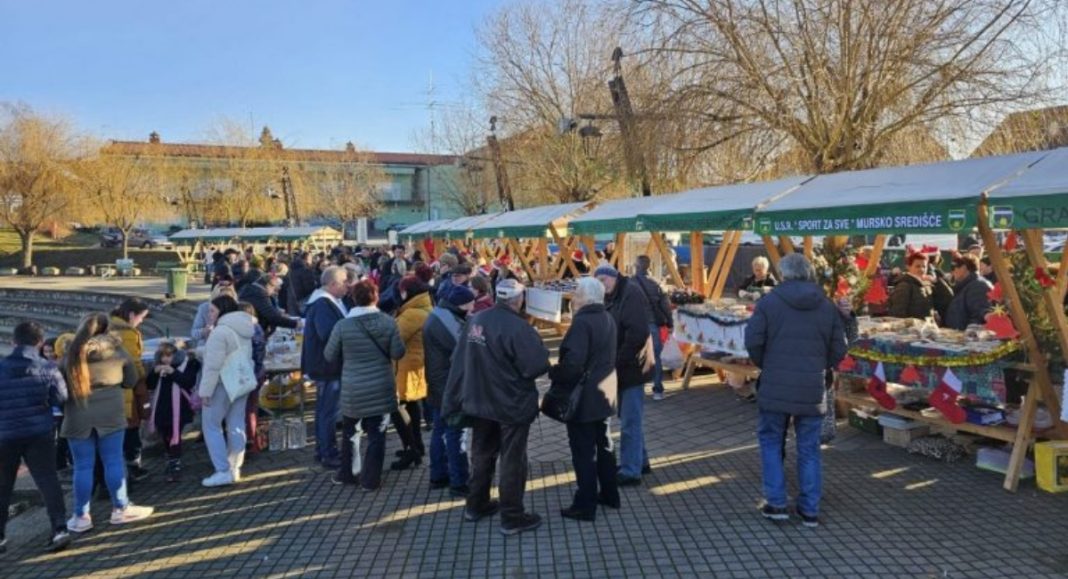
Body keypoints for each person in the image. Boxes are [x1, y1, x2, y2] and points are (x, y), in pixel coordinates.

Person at [744, 253, 846, 528]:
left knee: (771, 442)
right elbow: (840, 348)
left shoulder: (769, 302)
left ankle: (776, 503)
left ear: (783, 275)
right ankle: (809, 509)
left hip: (776, 383)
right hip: (812, 386)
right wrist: (821, 366)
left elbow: (753, 341)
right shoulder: (826, 306)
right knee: (809, 448)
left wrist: (767, 363)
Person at [443, 279, 551, 536]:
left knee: (481, 454)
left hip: (479, 400)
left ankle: (476, 504)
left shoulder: (476, 320)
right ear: (519, 299)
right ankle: (512, 517)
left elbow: (458, 358)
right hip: (510, 404)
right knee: (513, 460)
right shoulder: (518, 328)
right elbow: (535, 366)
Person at [61, 313, 153, 532]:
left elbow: (60, 387)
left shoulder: (70, 354)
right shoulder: (117, 351)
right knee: (113, 460)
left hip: (78, 415)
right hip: (111, 413)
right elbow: (131, 380)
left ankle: (81, 516)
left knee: (82, 466)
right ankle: (120, 508)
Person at [325, 280, 406, 491]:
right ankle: (371, 480)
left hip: (353, 387)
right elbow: (398, 353)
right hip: (381, 386)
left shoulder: (342, 325)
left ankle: (349, 473)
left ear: (353, 298)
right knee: (377, 435)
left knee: (351, 431)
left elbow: (329, 354)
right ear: (376, 297)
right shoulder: (388, 322)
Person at [550, 278, 620, 522]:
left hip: (585, 396)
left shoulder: (582, 322)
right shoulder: (607, 317)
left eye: (576, 293)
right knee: (604, 445)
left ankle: (585, 504)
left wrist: (554, 372)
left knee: (584, 451)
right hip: (605, 390)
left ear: (583, 297)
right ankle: (610, 493)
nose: (574, 298)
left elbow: (573, 364)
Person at [0, 322, 72, 552]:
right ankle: (59, 529)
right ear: (40, 343)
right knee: (48, 479)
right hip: (39, 432)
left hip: (5, 434)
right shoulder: (48, 368)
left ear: (13, 342)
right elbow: (61, 397)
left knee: (3, 485)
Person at [594, 265, 653, 486]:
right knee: (630, 417)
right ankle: (640, 461)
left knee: (630, 420)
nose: (601, 285)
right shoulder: (613, 294)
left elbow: (637, 334)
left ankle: (631, 471)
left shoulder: (631, 293)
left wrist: (616, 362)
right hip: (622, 365)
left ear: (613, 277)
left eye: (603, 280)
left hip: (632, 367)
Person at [197, 296, 257, 487]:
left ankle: (222, 470)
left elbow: (213, 366)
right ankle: (234, 467)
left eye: (213, 311)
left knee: (211, 426)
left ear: (222, 311)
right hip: (240, 381)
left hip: (221, 383)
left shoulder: (220, 332)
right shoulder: (244, 327)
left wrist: (205, 392)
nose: (209, 314)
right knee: (236, 423)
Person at [423, 285, 476, 497]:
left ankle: (438, 475)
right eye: (471, 304)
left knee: (440, 430)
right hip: (448, 386)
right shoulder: (446, 322)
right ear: (462, 304)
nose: (473, 308)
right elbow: (463, 349)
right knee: (455, 432)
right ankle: (459, 481)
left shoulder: (440, 314)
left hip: (438, 383)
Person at [302, 266, 349, 469]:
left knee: (324, 411)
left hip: (325, 365)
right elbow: (328, 333)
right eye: (344, 282)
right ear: (332, 284)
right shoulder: (323, 304)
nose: (347, 286)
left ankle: (322, 449)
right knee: (328, 412)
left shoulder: (325, 302)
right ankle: (328, 452)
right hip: (327, 366)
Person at [391, 275, 433, 470]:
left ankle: (411, 449)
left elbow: (394, 339)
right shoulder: (422, 307)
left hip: (406, 367)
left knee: (398, 408)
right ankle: (417, 445)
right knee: (411, 406)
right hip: (415, 364)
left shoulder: (412, 313)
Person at [109, 298, 151, 483]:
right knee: (131, 427)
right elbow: (134, 364)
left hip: (109, 388)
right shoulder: (127, 333)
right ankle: (133, 468)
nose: (141, 321)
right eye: (141, 317)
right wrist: (144, 376)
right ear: (132, 315)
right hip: (126, 388)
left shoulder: (108, 326)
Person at [146, 342, 200, 482]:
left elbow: (188, 382)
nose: (165, 360)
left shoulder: (187, 365)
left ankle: (175, 461)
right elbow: (149, 385)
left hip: (179, 407)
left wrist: (172, 372)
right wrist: (154, 372)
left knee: (174, 434)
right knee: (165, 434)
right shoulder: (158, 367)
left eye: (168, 356)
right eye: (162, 356)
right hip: (162, 407)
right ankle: (171, 458)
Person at [633, 255, 674, 401]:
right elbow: (666, 307)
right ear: (649, 267)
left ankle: (638, 389)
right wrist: (670, 324)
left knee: (636, 358)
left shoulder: (629, 283)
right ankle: (657, 390)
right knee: (655, 358)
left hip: (634, 325)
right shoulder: (657, 283)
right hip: (653, 326)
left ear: (636, 266)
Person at [239, 271, 299, 336]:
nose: (273, 292)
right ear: (268, 285)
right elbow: (272, 316)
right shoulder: (259, 294)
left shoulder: (253, 289)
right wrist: (295, 324)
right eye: (274, 289)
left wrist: (279, 314)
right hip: (251, 329)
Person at [944, 254, 993, 330]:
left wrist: (969, 335)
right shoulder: (969, 284)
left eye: (953, 268)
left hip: (967, 338)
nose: (952, 271)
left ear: (964, 268)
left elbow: (981, 313)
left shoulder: (977, 286)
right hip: (960, 336)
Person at [887, 253, 935, 320]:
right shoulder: (904, 286)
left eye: (924, 266)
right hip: (910, 329)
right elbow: (897, 314)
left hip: (923, 327)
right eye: (917, 266)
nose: (922, 269)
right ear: (908, 267)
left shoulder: (923, 284)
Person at [286, 251, 319, 316]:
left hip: (292, 300)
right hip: (304, 299)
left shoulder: (290, 271)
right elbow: (309, 288)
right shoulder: (305, 270)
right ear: (307, 259)